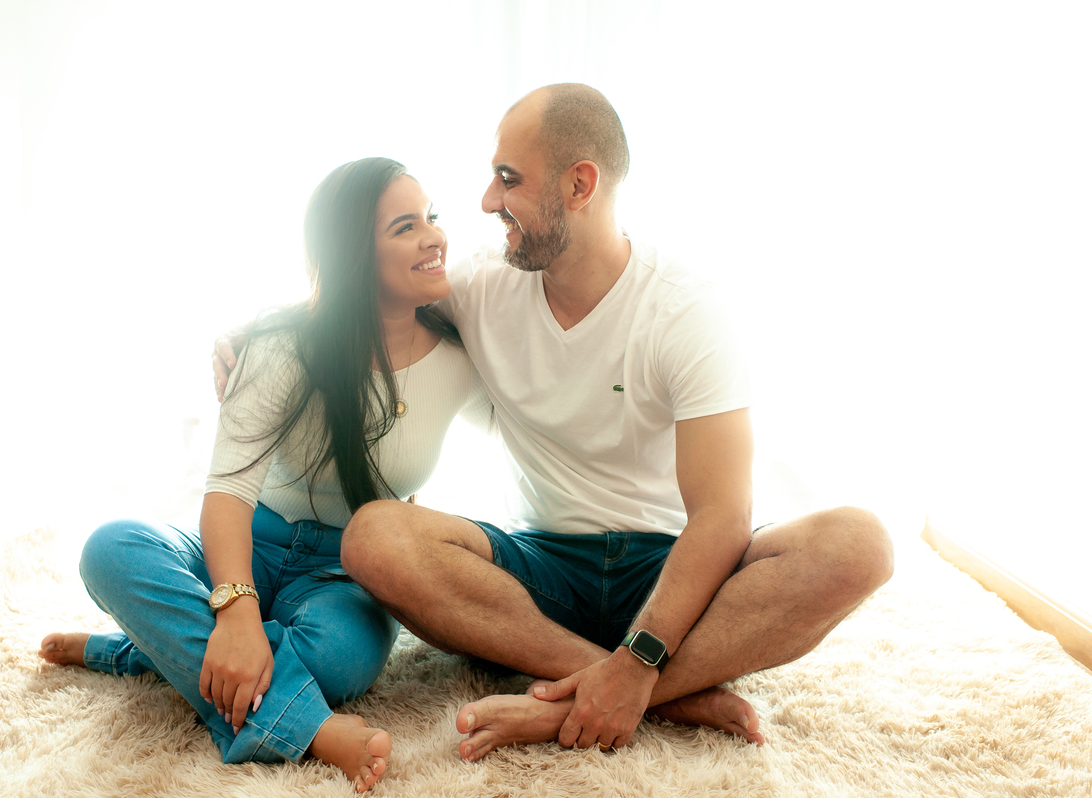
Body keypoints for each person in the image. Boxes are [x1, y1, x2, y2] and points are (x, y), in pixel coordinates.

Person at [214, 84, 894, 761]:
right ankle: (655, 692)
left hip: (669, 568)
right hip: (540, 573)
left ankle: (615, 688)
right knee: (374, 537)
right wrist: (260, 334)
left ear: (579, 185)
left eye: (508, 179)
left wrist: (640, 658)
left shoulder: (686, 309)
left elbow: (721, 517)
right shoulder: (477, 288)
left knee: (859, 544)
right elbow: (358, 299)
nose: (485, 202)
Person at [40, 157, 489, 793]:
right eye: (405, 226)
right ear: (352, 253)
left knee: (339, 660)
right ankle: (314, 729)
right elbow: (226, 492)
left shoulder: (462, 357)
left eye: (433, 218)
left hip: (348, 571)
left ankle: (140, 652)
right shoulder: (282, 346)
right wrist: (237, 613)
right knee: (110, 548)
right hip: (248, 539)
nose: (436, 236)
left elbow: (537, 414)